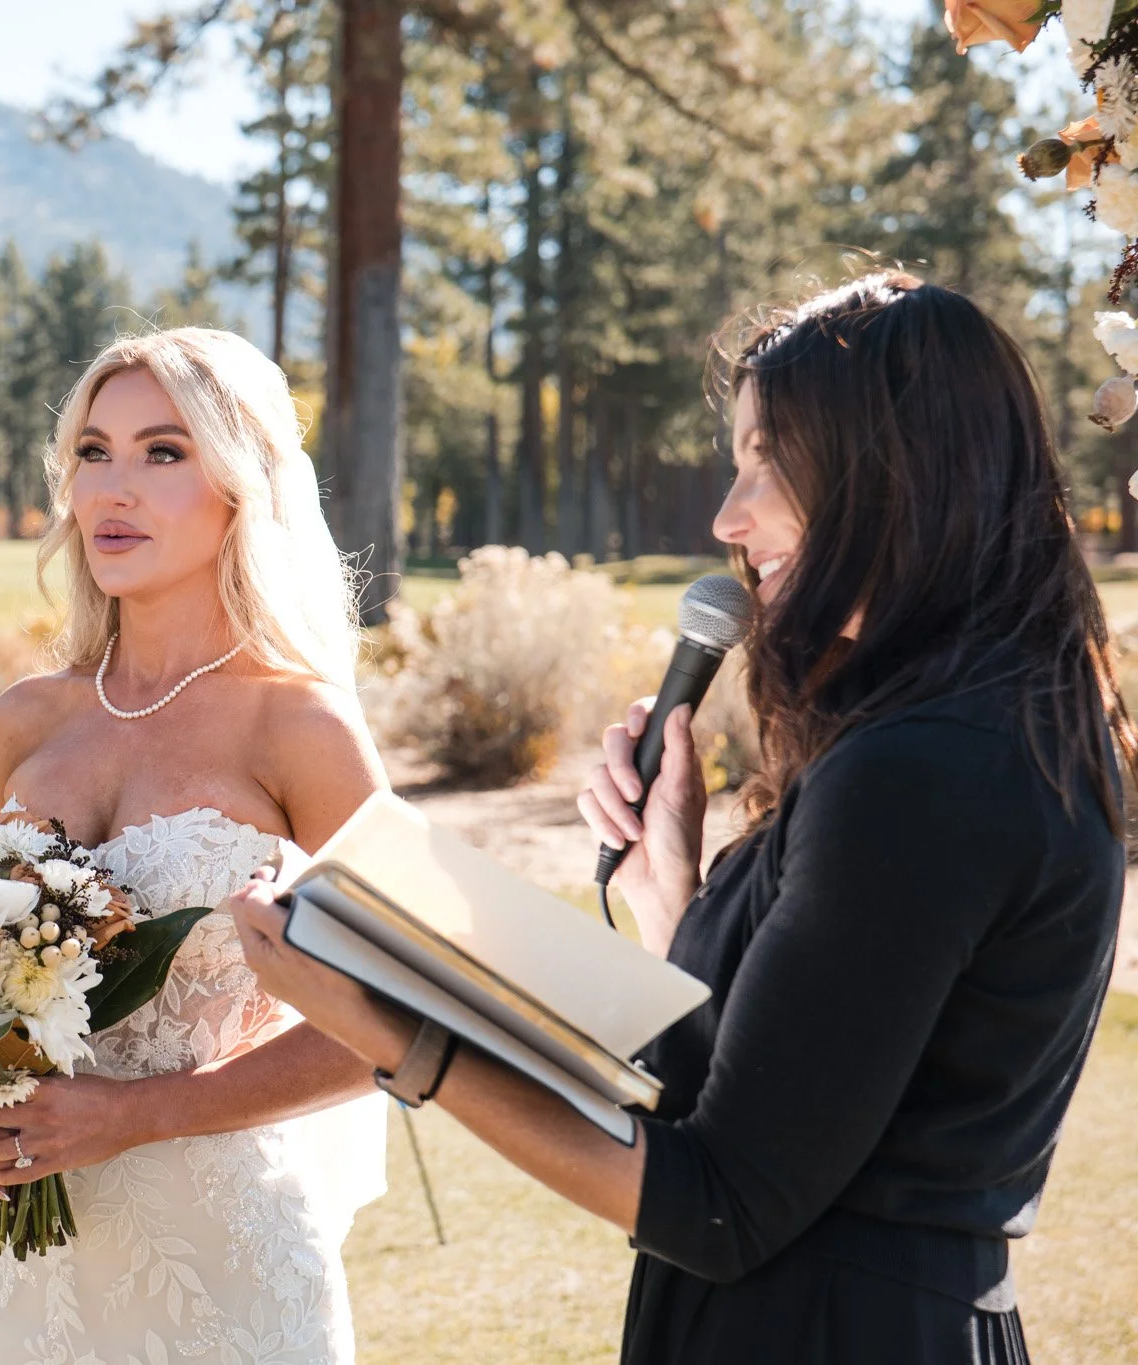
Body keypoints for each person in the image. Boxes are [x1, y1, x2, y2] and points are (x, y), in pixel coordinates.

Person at [228, 273, 1134, 1365]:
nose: (724, 517)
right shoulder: (981, 727)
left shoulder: (925, 769)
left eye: (766, 459)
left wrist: (388, 1030)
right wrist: (674, 896)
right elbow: (788, 1094)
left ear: (893, 471)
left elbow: (720, 1202)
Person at [0, 328, 391, 1363]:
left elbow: (398, 1020)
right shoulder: (26, 720)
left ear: (242, 485)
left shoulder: (299, 729)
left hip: (222, 1259)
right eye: (92, 452)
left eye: (162, 451)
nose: (112, 489)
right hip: (26, 1274)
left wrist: (138, 1114)